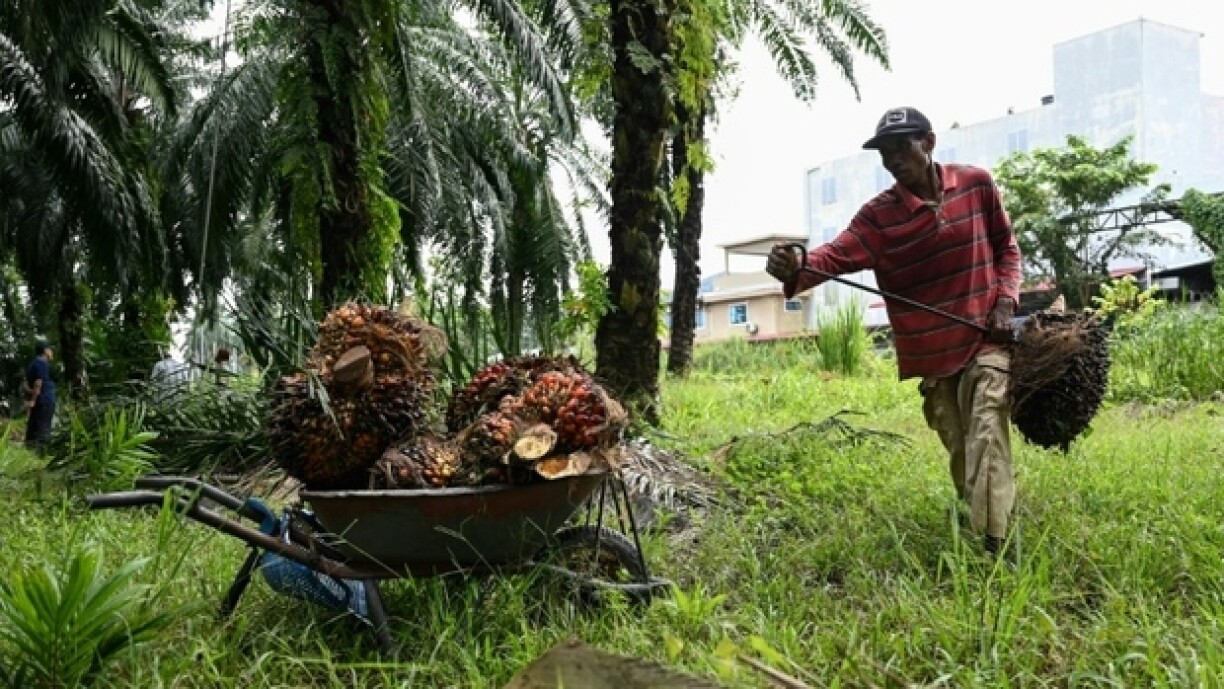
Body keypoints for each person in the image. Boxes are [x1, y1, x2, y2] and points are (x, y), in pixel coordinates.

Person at [766, 106, 1023, 555]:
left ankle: (994, 548)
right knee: (965, 454)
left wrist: (1005, 302)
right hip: (935, 360)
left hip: (986, 341)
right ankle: (986, 516)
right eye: (884, 151)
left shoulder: (977, 184)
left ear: (929, 142)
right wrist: (795, 264)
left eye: (901, 146)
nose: (892, 158)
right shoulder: (878, 219)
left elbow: (1007, 249)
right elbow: (830, 258)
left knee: (987, 435)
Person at [24, 339, 57, 452]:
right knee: (43, 429)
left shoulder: (33, 363)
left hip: (39, 400)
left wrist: (31, 398)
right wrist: (33, 400)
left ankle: (29, 453)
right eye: (50, 349)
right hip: (44, 401)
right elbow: (38, 383)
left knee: (33, 429)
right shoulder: (41, 362)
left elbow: (26, 385)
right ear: (45, 351)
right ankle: (41, 455)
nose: (52, 352)